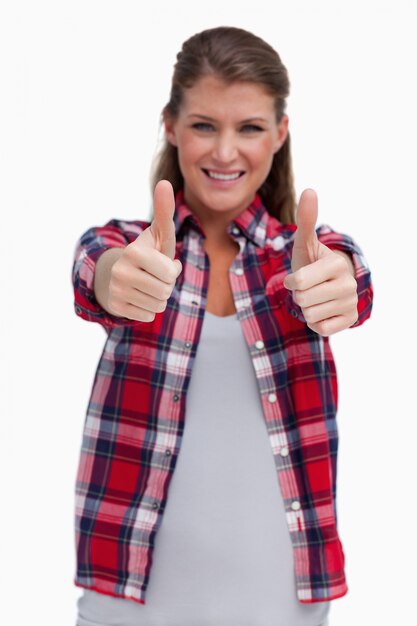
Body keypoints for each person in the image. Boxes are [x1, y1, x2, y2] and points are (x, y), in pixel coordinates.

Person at [72, 25, 373, 626]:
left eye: (250, 128)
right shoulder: (128, 246)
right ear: (172, 126)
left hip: (278, 600)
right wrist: (117, 277)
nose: (225, 153)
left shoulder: (306, 256)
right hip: (128, 597)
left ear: (280, 133)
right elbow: (96, 270)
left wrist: (338, 284)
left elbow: (349, 277)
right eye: (205, 125)